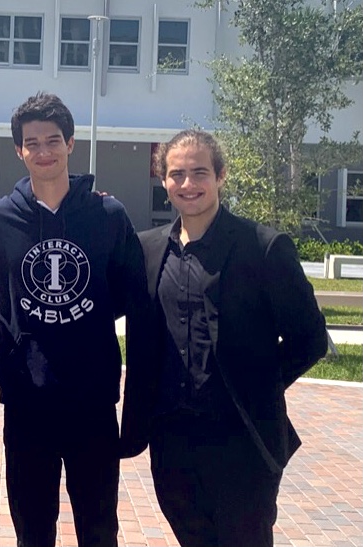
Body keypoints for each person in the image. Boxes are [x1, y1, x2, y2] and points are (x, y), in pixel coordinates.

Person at [0, 92, 151, 547]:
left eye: (53, 140)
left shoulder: (107, 216)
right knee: (32, 531)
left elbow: (132, 298)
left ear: (71, 143)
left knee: (99, 530)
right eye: (32, 143)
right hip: (26, 403)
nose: (44, 151)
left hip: (92, 402)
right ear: (19, 150)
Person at [139, 129, 328, 547]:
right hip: (172, 440)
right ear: (164, 181)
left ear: (221, 176)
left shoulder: (264, 247)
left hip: (243, 438)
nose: (188, 184)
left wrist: (257, 383)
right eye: (177, 174)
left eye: (200, 172)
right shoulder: (149, 249)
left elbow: (310, 338)